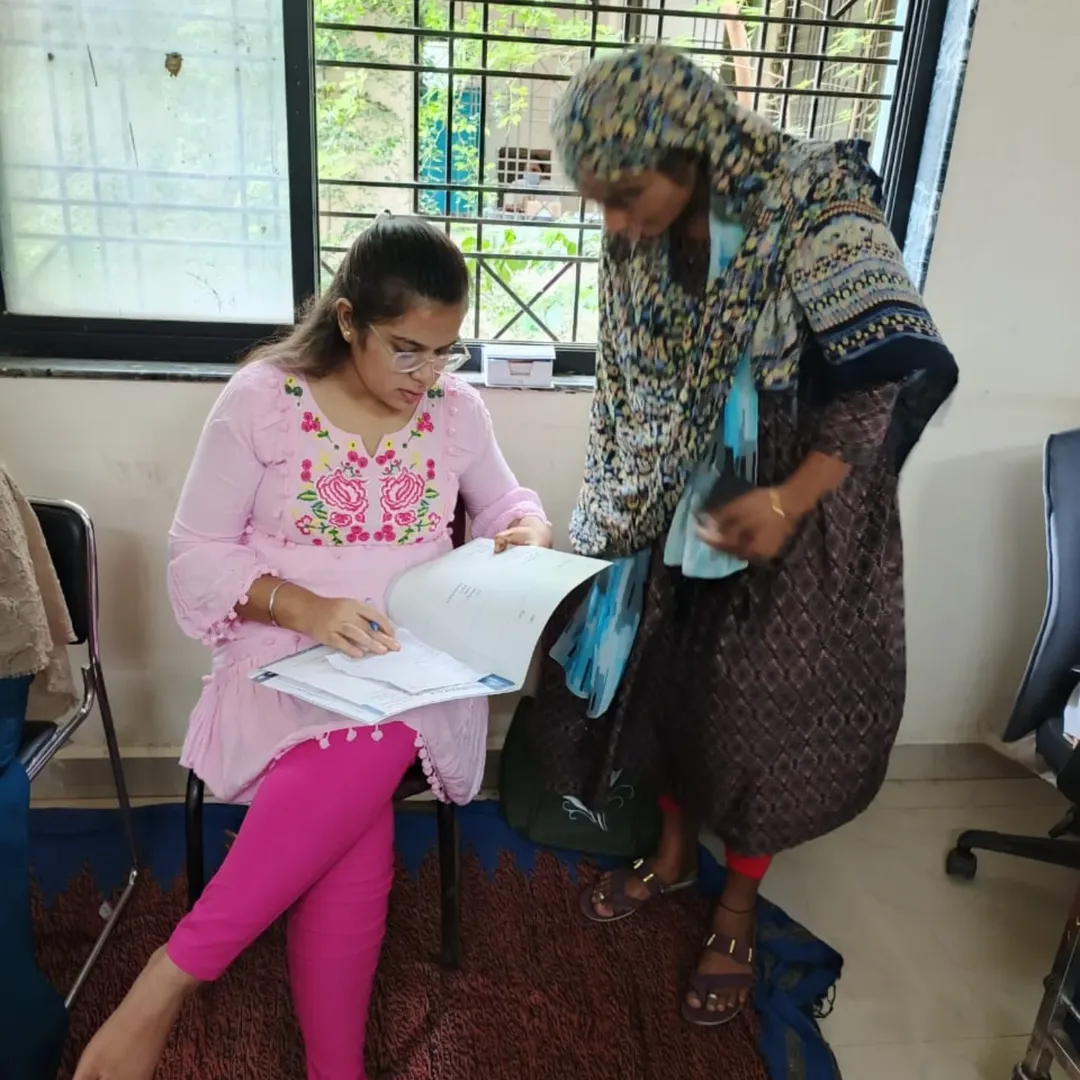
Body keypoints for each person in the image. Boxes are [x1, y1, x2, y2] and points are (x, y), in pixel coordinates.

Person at [536, 46, 958, 1027]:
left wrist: (789, 499)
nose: (617, 223)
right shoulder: (644, 240)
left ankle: (736, 910)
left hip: (794, 511)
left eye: (628, 194)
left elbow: (880, 368)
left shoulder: (813, 198)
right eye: (600, 201)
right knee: (674, 690)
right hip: (682, 502)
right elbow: (636, 389)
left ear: (697, 147)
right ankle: (678, 858)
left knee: (759, 722)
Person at [73, 216, 551, 1080]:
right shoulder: (262, 398)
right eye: (407, 350)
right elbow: (199, 552)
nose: (428, 376)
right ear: (347, 320)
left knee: (366, 739)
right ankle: (327, 1064)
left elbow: (504, 501)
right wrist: (306, 606)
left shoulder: (455, 411)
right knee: (354, 788)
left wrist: (525, 526)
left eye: (445, 352)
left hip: (417, 662)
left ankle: (167, 984)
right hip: (281, 651)